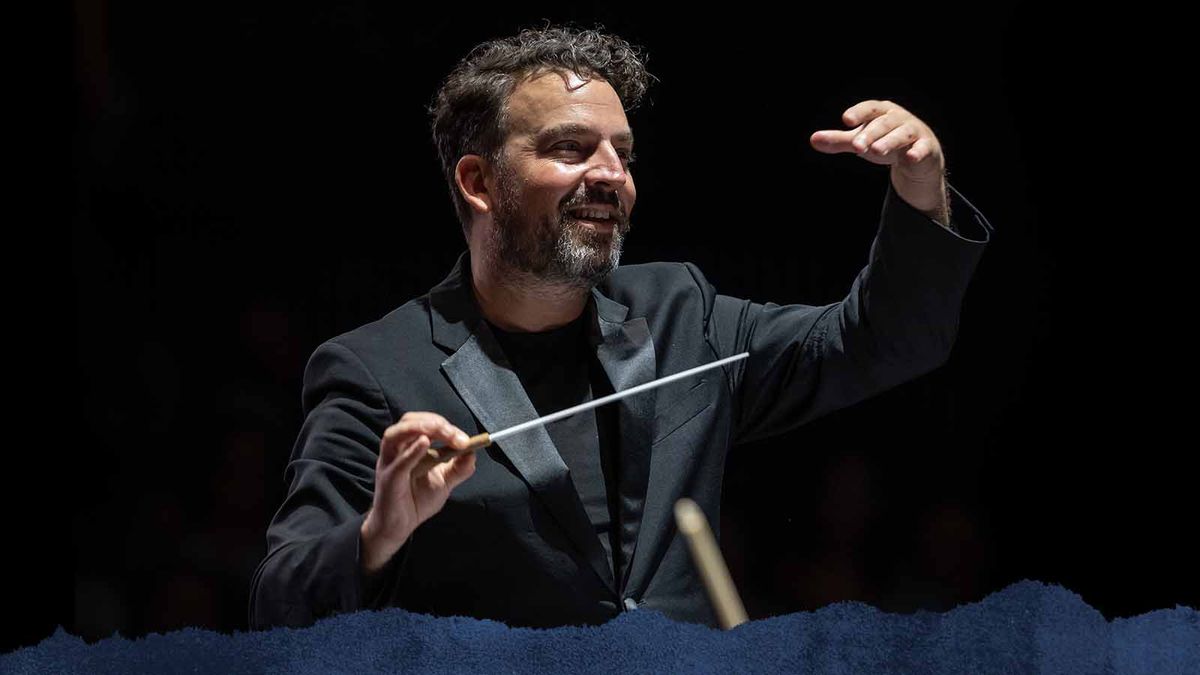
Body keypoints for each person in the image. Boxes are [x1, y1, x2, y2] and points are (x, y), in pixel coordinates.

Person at [249, 25, 992, 630]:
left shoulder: (681, 313)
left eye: (623, 154)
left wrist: (921, 191)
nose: (613, 174)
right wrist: (377, 535)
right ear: (478, 182)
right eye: (570, 149)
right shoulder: (375, 368)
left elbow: (884, 342)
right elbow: (277, 602)